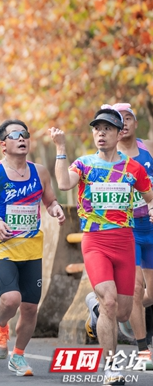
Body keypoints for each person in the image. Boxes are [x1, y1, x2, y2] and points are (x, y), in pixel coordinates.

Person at [49, 108, 153, 384]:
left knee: (121, 311)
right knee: (110, 301)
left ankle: (94, 308)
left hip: (125, 241)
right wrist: (61, 149)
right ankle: (111, 368)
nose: (101, 133)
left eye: (107, 128)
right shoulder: (83, 164)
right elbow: (63, 183)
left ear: (120, 134)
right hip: (95, 241)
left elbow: (149, 195)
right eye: (97, 128)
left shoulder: (134, 168)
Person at [0, 119, 65, 377]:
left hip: (32, 248)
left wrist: (55, 209)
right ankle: (1, 326)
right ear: (3, 145)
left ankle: (18, 356)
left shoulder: (40, 172)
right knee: (11, 299)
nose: (22, 139)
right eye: (15, 135)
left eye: (25, 135)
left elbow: (51, 200)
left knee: (31, 307)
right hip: (3, 246)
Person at [83, 103, 153, 369]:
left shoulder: (147, 150)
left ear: (134, 123)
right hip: (124, 230)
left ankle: (98, 308)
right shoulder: (103, 157)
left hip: (149, 226)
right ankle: (142, 351)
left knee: (142, 298)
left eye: (126, 119)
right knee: (132, 292)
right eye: (115, 122)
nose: (121, 125)